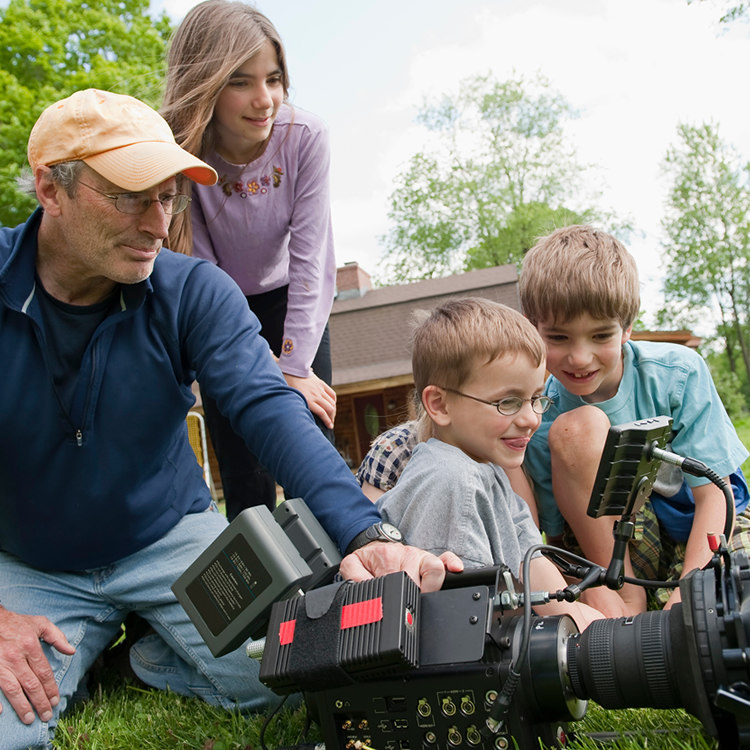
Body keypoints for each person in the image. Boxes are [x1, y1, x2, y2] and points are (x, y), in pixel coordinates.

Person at [0, 88, 461, 750]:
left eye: (167, 197)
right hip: (31, 561)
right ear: (51, 188)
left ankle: (141, 659)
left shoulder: (191, 291)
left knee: (289, 675)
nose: (158, 224)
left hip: (170, 539)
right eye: (130, 196)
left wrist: (368, 535)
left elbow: (269, 409)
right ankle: (92, 641)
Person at [160, 0, 337, 520]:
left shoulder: (305, 137)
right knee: (243, 469)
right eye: (241, 81)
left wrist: (294, 369)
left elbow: (311, 260)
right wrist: (244, 362)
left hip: (293, 300)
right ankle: (258, 596)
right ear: (206, 82)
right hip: (219, 304)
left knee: (308, 445)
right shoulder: (179, 151)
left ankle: (335, 583)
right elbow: (200, 266)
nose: (265, 100)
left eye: (275, 79)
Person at [520, 225, 750, 617]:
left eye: (599, 335)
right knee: (577, 429)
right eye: (558, 338)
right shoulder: (542, 414)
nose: (579, 358)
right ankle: (628, 600)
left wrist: (688, 596)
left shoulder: (677, 373)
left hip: (704, 521)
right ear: (533, 330)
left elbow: (715, 495)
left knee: (732, 602)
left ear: (626, 327)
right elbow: (555, 533)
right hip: (616, 541)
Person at [376, 298, 604, 630]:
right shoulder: (452, 482)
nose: (530, 419)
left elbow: (547, 586)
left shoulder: (488, 470)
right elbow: (465, 625)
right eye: (508, 402)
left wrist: (602, 632)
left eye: (536, 398)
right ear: (440, 405)